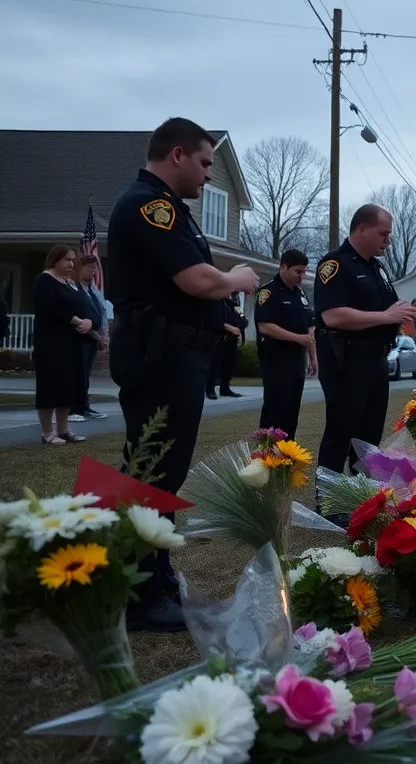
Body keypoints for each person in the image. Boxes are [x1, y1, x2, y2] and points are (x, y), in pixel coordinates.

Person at [108, 117, 260, 631]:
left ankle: (153, 574)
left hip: (176, 356)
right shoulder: (149, 207)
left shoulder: (172, 211)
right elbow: (195, 279)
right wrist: (235, 279)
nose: (209, 176)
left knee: (163, 472)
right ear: (176, 155)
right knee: (152, 471)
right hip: (159, 357)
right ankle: (142, 596)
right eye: (203, 163)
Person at [314, 205, 416, 488]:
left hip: (376, 358)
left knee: (369, 433)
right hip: (346, 359)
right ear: (362, 229)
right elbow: (332, 314)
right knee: (342, 430)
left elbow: (387, 307)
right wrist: (386, 316)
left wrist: (400, 311)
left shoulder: (377, 268)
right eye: (383, 233)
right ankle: (331, 497)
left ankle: (360, 493)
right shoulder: (335, 265)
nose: (388, 240)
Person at [33, 245, 93, 445]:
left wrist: (89, 322)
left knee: (66, 388)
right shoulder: (45, 281)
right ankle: (47, 433)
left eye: (73, 260)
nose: (71, 264)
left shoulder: (69, 283)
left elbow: (83, 305)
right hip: (50, 344)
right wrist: (77, 321)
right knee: (50, 387)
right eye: (67, 260)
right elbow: (52, 308)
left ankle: (63, 430)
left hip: (71, 344)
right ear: (55, 260)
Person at [254, 249, 316, 440]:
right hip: (276, 360)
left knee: (291, 413)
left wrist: (313, 357)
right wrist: (297, 338)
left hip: (297, 361)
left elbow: (309, 327)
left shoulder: (300, 294)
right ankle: (264, 460)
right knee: (274, 411)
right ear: (283, 267)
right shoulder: (268, 292)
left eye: (304, 272)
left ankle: (287, 459)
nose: (301, 276)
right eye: (298, 271)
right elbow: (265, 326)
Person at [70, 254, 109, 421]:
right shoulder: (75, 289)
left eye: (94, 268)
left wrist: (104, 335)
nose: (92, 271)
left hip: (94, 339)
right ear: (80, 268)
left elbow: (102, 313)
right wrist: (96, 336)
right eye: (89, 267)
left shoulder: (93, 290)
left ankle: (84, 406)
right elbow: (78, 315)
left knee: (85, 375)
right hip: (80, 337)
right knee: (76, 374)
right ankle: (73, 409)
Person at [208, 293, 247, 399]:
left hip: (232, 339)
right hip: (220, 338)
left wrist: (239, 327)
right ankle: (210, 389)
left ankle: (225, 388)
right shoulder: (217, 303)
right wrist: (227, 327)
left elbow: (243, 319)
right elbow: (214, 320)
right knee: (215, 364)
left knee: (229, 365)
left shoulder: (235, 305)